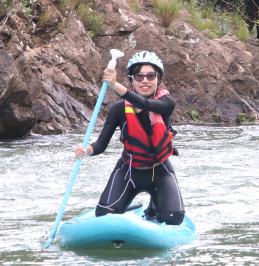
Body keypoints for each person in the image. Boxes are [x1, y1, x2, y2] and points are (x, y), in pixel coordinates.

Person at [74, 51, 185, 224]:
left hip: (160, 171)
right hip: (129, 171)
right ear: (132, 79)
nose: (145, 81)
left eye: (150, 75)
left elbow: (145, 104)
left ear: (158, 78)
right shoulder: (118, 109)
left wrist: (115, 85)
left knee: (173, 218)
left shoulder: (166, 103)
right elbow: (101, 144)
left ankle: (155, 207)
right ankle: (130, 205)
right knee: (104, 216)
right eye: (139, 76)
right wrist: (86, 150)